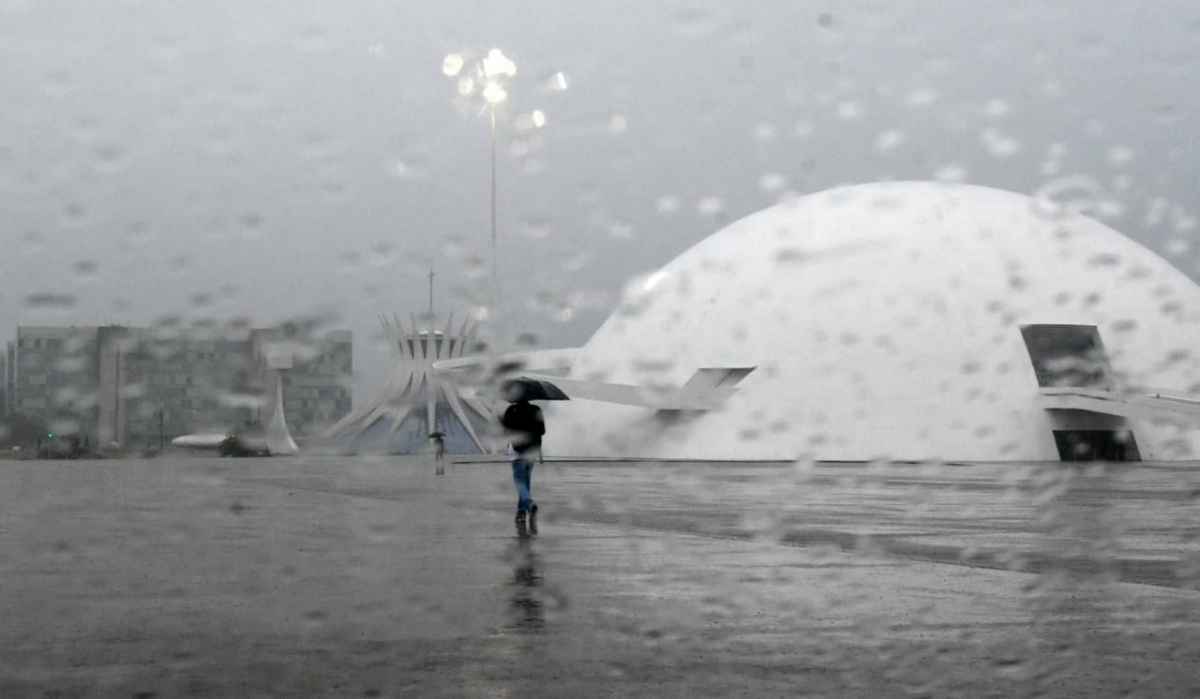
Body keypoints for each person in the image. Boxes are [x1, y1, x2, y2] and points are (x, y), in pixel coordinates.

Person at [501, 386, 545, 528]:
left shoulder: (511, 410)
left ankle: (529, 504)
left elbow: (506, 430)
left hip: (517, 450)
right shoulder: (536, 409)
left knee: (520, 481)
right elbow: (542, 430)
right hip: (532, 450)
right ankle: (521, 512)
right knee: (525, 481)